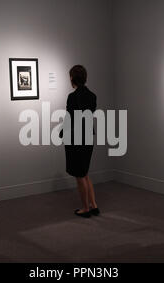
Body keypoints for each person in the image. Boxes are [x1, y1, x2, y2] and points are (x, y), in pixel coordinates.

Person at [61, 65, 99, 218]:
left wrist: (61, 133)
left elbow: (69, 118)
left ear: (72, 78)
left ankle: (85, 209)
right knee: (85, 173)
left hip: (76, 138)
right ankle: (94, 205)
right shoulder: (92, 96)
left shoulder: (73, 96)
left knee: (79, 175)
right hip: (88, 137)